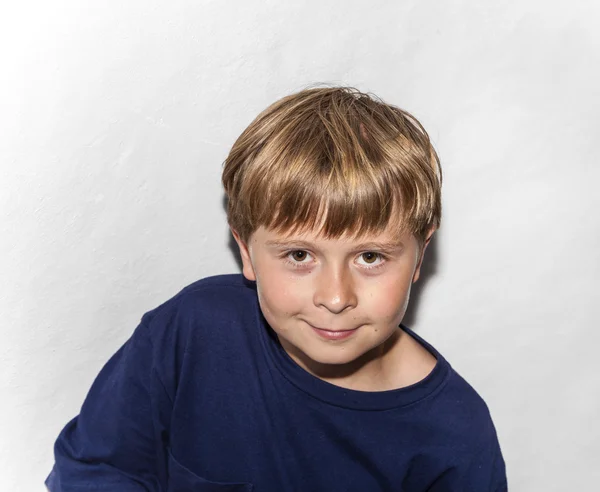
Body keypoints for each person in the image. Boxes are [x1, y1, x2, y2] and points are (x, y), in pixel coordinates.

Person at [46, 86, 507, 491]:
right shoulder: (192, 331)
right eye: (299, 256)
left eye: (370, 257)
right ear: (246, 251)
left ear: (419, 257)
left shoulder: (456, 436)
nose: (335, 296)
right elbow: (96, 466)